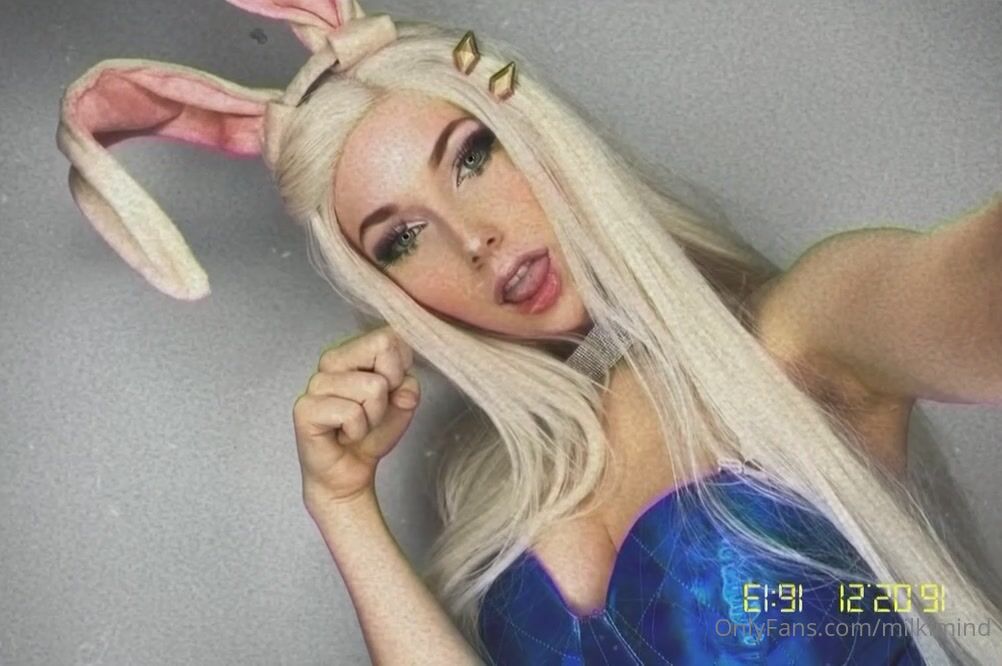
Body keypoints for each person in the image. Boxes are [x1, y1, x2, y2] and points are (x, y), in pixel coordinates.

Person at [55, 1, 1002, 663]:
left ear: (535, 133)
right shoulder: (495, 495)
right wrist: (341, 503)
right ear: (392, 295)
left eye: (471, 157)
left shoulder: (798, 337)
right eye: (401, 239)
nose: (472, 239)